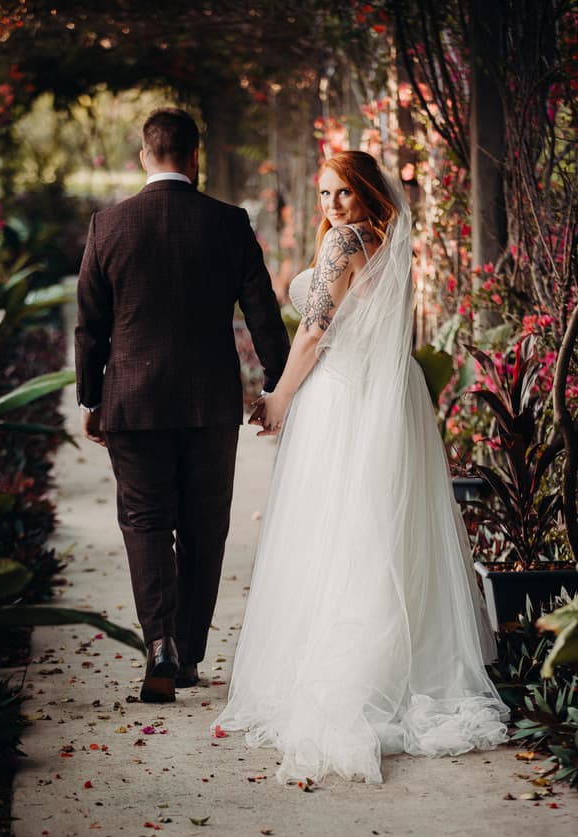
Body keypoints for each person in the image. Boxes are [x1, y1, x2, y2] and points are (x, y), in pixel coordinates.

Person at [214, 151, 509, 784]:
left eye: (343, 193)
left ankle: (350, 671)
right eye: (324, 195)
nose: (332, 206)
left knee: (338, 526)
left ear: (367, 193)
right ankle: (407, 661)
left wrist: (280, 399)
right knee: (386, 523)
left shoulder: (344, 243)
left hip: (345, 395)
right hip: (394, 395)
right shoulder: (390, 242)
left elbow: (315, 332)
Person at [75, 108, 290, 703]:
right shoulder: (228, 223)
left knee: (145, 521)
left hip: (133, 402)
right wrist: (278, 385)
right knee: (204, 525)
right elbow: (262, 312)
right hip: (209, 402)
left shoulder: (107, 227)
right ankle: (189, 652)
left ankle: (160, 643)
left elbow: (90, 327)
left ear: (144, 156)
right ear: (195, 157)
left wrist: (91, 397)